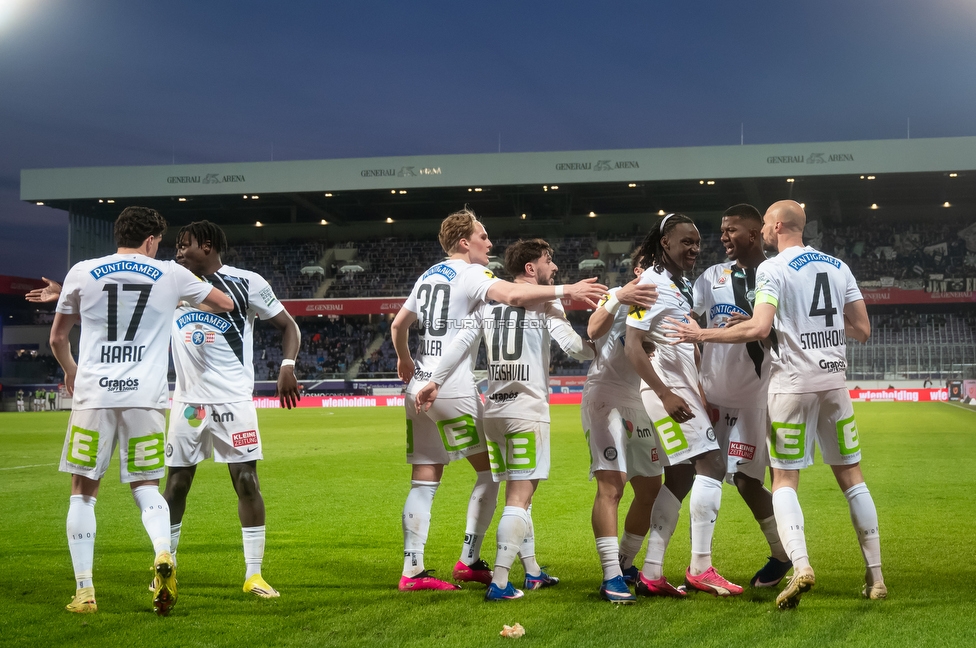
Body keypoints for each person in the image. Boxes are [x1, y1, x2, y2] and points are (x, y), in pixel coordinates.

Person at [666, 200, 885, 609]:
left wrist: (703, 336)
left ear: (777, 225)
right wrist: (813, 325)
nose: (764, 230)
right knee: (853, 479)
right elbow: (862, 330)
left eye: (766, 223)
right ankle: (875, 577)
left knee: (783, 480)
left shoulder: (772, 268)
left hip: (790, 386)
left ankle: (800, 564)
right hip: (834, 383)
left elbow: (761, 327)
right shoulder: (839, 267)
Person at [390, 208, 610, 591]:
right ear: (465, 242)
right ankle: (472, 560)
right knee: (504, 479)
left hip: (421, 385)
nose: (489, 243)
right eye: (483, 236)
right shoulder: (476, 274)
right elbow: (514, 295)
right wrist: (569, 292)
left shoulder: (427, 275)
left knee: (426, 477)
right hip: (459, 388)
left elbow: (398, 325)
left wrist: (406, 360)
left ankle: (415, 570)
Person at [46, 206, 232, 615]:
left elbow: (58, 338)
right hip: (145, 398)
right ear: (151, 240)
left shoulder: (82, 271)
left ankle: (84, 591)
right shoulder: (171, 273)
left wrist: (72, 371)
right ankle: (164, 554)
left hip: (95, 395)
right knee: (147, 487)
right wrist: (177, 301)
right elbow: (224, 303)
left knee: (82, 494)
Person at [163, 220, 301, 599]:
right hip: (188, 403)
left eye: (185, 244)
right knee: (175, 485)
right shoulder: (170, 282)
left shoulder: (247, 282)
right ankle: (166, 567)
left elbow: (289, 326)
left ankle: (253, 575)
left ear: (206, 245)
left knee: (245, 481)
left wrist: (287, 366)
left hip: (233, 401)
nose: (177, 252)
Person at [624, 213, 743, 598]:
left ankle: (651, 571)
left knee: (680, 477)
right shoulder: (652, 283)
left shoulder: (681, 284)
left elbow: (684, 341)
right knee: (712, 463)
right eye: (685, 242)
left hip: (683, 388)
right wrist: (664, 393)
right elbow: (632, 345)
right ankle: (701, 567)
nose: (694, 248)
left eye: (696, 242)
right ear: (665, 244)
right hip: (667, 390)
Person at [691, 204, 792, 588]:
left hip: (755, 398)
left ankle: (782, 555)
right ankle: (695, 565)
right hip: (711, 397)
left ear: (753, 234)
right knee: (697, 472)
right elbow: (688, 319)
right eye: (721, 230)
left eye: (731, 230)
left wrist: (757, 328)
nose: (723, 237)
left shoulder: (778, 276)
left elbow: (789, 339)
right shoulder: (712, 276)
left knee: (748, 483)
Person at [582, 251, 663, 604]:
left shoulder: (664, 301)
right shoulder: (614, 293)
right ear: (637, 269)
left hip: (636, 399)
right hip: (604, 397)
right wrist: (618, 297)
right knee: (611, 486)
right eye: (650, 265)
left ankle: (626, 562)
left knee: (650, 488)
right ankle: (611, 576)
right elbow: (592, 329)